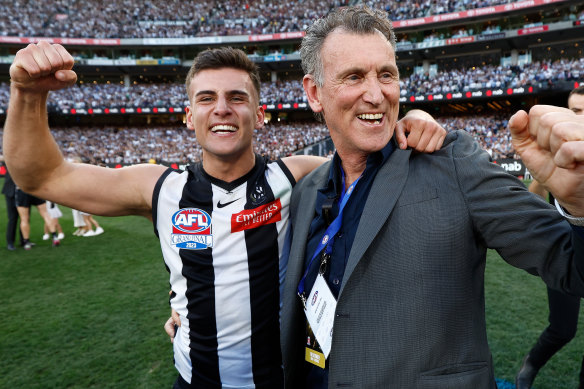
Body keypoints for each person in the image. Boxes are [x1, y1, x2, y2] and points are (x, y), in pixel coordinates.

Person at [3, 41, 445, 388]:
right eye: (207, 98)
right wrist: (26, 91)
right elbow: (41, 176)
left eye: (237, 97)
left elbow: (378, 154)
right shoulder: (158, 187)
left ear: (260, 114)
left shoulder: (299, 179)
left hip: (284, 381)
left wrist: (412, 119)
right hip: (196, 383)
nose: (222, 108)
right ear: (188, 115)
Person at [278, 6, 584, 389]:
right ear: (314, 92)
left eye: (386, 74)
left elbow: (572, 267)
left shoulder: (452, 162)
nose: (376, 94)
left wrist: (580, 206)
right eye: (354, 76)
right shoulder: (307, 192)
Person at [515, 85, 584, 389]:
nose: (573, 116)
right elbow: (531, 203)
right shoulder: (557, 152)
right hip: (566, 252)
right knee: (562, 328)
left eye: (581, 111)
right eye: (573, 109)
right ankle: (529, 367)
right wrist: (542, 179)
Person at [1, 164, 24, 250]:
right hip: (10, 193)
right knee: (13, 218)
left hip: (23, 193)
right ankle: (10, 242)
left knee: (24, 218)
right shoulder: (8, 160)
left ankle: (24, 240)